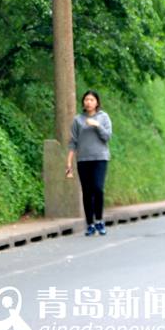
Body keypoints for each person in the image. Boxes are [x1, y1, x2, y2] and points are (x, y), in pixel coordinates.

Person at [66, 89, 112, 237]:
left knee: (98, 188)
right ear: (83, 102)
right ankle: (90, 224)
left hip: (100, 158)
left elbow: (107, 137)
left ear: (97, 102)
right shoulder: (78, 120)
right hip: (83, 159)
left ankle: (99, 220)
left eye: (91, 100)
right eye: (86, 100)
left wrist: (97, 125)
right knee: (86, 191)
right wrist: (69, 162)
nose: (88, 102)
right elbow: (73, 142)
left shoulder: (103, 117)